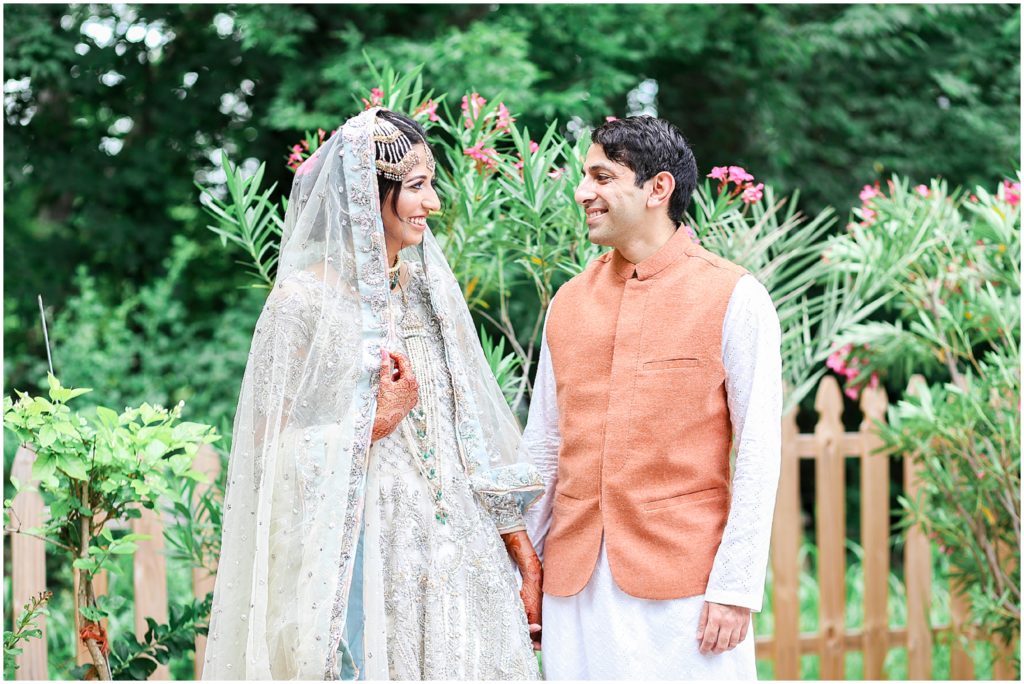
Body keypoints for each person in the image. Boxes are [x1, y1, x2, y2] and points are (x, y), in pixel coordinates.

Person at [203, 108, 545, 680]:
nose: (432, 203)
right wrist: (373, 421)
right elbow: (265, 460)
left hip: (457, 558)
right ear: (368, 192)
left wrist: (520, 550)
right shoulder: (300, 304)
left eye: (430, 184)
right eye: (416, 187)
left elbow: (472, 430)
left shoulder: (428, 292)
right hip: (362, 560)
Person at [523, 115, 782, 679]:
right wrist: (527, 568)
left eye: (602, 176)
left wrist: (736, 589)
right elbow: (543, 447)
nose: (583, 191)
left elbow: (760, 452)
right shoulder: (567, 302)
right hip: (575, 584)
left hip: (687, 590)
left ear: (657, 189)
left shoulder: (735, 296)